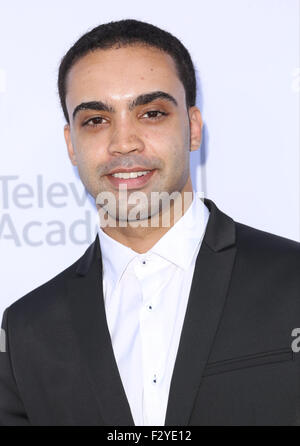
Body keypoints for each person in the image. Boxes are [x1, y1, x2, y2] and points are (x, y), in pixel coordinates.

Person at [0, 19, 299, 426]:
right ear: (71, 144)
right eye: (96, 120)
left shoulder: (292, 279)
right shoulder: (26, 330)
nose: (124, 142)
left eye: (151, 113)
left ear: (193, 128)